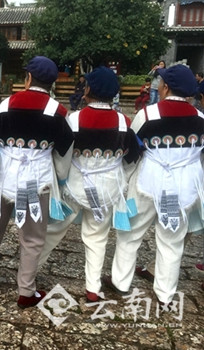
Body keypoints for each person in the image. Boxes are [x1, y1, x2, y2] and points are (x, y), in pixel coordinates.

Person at [0, 56, 75, 309]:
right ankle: (26, 290)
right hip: (36, 181)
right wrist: (60, 177)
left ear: (28, 79)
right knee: (33, 237)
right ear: (51, 84)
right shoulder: (57, 111)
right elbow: (65, 150)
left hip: (3, 178)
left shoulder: (6, 105)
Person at [35, 67, 140, 303]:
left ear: (89, 90)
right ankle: (93, 288)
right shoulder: (123, 122)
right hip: (107, 189)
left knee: (53, 231)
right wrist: (118, 176)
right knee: (97, 237)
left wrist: (60, 179)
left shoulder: (74, 119)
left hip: (74, 186)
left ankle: (29, 272)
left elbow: (61, 155)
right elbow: (132, 157)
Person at [105, 64, 204, 307]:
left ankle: (120, 281)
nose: (157, 87)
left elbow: (132, 147)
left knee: (131, 232)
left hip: (149, 180)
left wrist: (126, 175)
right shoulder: (201, 118)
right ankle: (165, 293)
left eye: (160, 83)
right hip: (184, 186)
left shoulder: (148, 115)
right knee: (173, 240)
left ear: (167, 87)